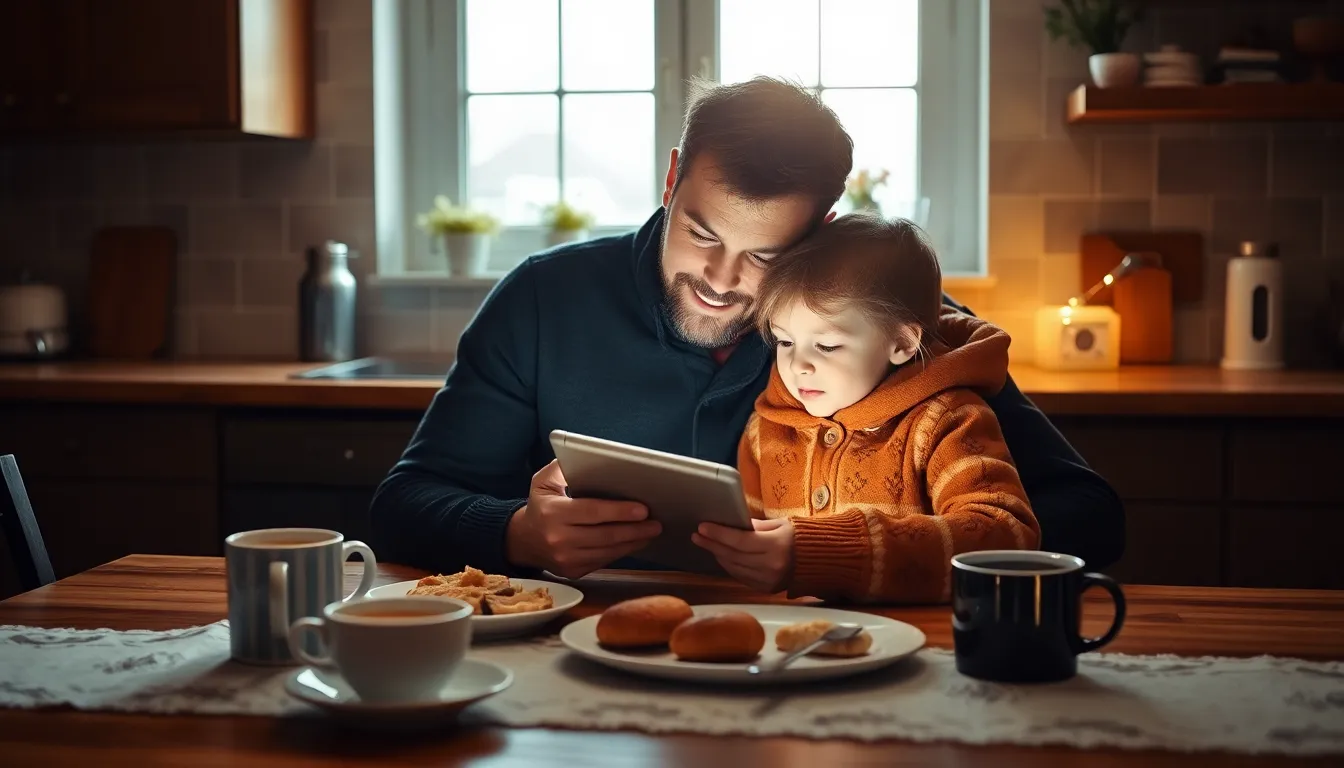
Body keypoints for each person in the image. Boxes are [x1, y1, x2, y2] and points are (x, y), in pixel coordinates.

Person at [369, 76, 1124, 582]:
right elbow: (402, 506)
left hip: (828, 662)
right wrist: (517, 532)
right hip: (584, 659)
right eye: (700, 232)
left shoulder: (871, 320)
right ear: (671, 178)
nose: (721, 279)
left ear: (820, 228)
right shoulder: (542, 299)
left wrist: (861, 547)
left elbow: (1086, 516)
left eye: (765, 255)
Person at [692, 212, 1038, 603]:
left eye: (826, 346)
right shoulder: (764, 431)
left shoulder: (948, 421)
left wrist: (827, 553)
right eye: (785, 342)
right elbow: (747, 558)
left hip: (921, 636)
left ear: (902, 343)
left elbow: (1007, 536)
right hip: (793, 636)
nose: (798, 364)